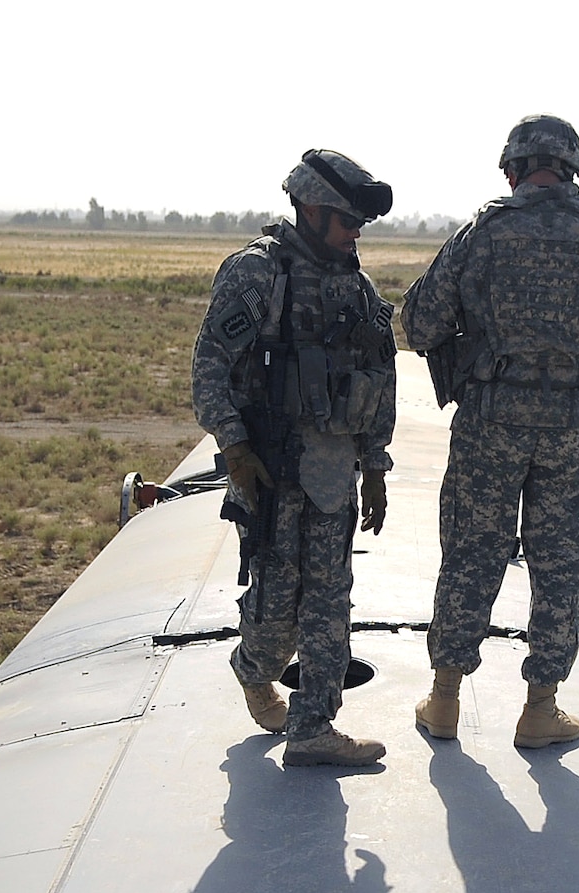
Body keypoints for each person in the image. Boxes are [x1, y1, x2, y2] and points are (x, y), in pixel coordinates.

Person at [402, 115, 579, 749]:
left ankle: (444, 700)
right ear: (572, 169)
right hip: (573, 431)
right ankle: (540, 710)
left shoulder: (481, 234)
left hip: (490, 423)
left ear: (512, 170)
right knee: (560, 566)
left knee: (470, 556)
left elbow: (417, 325)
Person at [193, 150, 398, 767]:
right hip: (273, 473)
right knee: (276, 607)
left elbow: (378, 380)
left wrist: (374, 467)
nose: (354, 233)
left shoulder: (358, 289)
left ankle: (313, 727)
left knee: (331, 601)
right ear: (310, 210)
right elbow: (209, 370)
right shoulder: (257, 275)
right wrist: (234, 447)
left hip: (333, 477)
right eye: (344, 220)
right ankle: (253, 668)